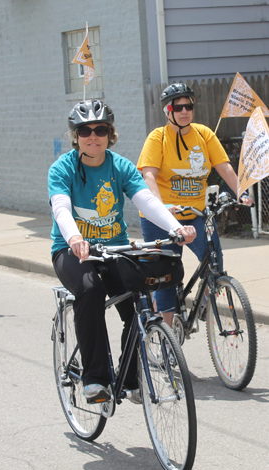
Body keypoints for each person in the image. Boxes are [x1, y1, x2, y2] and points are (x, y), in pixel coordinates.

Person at [48, 100, 196, 402]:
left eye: (100, 129)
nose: (93, 136)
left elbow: (146, 201)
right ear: (75, 135)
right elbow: (61, 208)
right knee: (90, 290)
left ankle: (129, 381)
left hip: (114, 248)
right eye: (85, 130)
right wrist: (75, 237)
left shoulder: (120, 166)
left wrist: (175, 227)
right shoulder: (62, 168)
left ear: (109, 134)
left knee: (138, 303)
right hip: (72, 251)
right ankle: (95, 379)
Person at [137, 83, 254, 326]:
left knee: (214, 260)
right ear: (167, 110)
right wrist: (159, 208)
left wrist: (241, 192)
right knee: (166, 275)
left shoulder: (203, 134)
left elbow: (224, 167)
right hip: (161, 218)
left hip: (195, 213)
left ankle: (204, 303)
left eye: (188, 105)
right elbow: (148, 176)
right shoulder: (157, 138)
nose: (184, 111)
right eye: (177, 107)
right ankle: (167, 338)